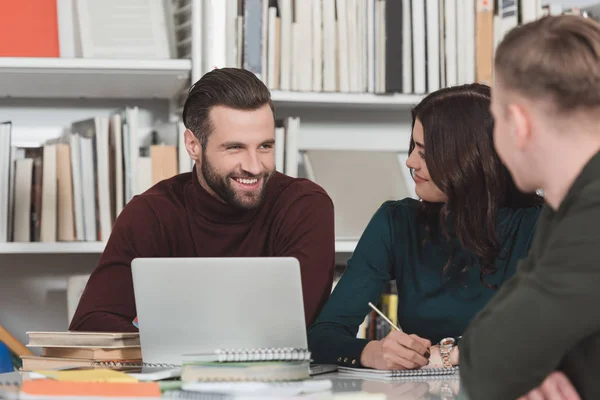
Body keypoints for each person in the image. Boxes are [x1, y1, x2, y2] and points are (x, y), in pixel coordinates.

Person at [69, 68, 335, 332]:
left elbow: (293, 325)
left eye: (265, 146)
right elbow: (90, 324)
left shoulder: (304, 205)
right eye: (235, 147)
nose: (255, 167)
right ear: (193, 146)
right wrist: (164, 350)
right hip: (173, 374)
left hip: (280, 375)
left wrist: (176, 336)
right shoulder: (151, 213)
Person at [307, 83, 544, 370]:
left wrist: (449, 354)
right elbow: (322, 337)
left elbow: (559, 332)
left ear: (471, 159)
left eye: (425, 152)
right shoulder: (396, 222)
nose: (409, 162)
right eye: (413, 147)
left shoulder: (542, 226)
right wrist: (372, 352)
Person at [459, 15, 600, 400]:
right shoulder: (569, 202)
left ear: (518, 123)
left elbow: (487, 358)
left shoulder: (592, 210)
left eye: (494, 120)